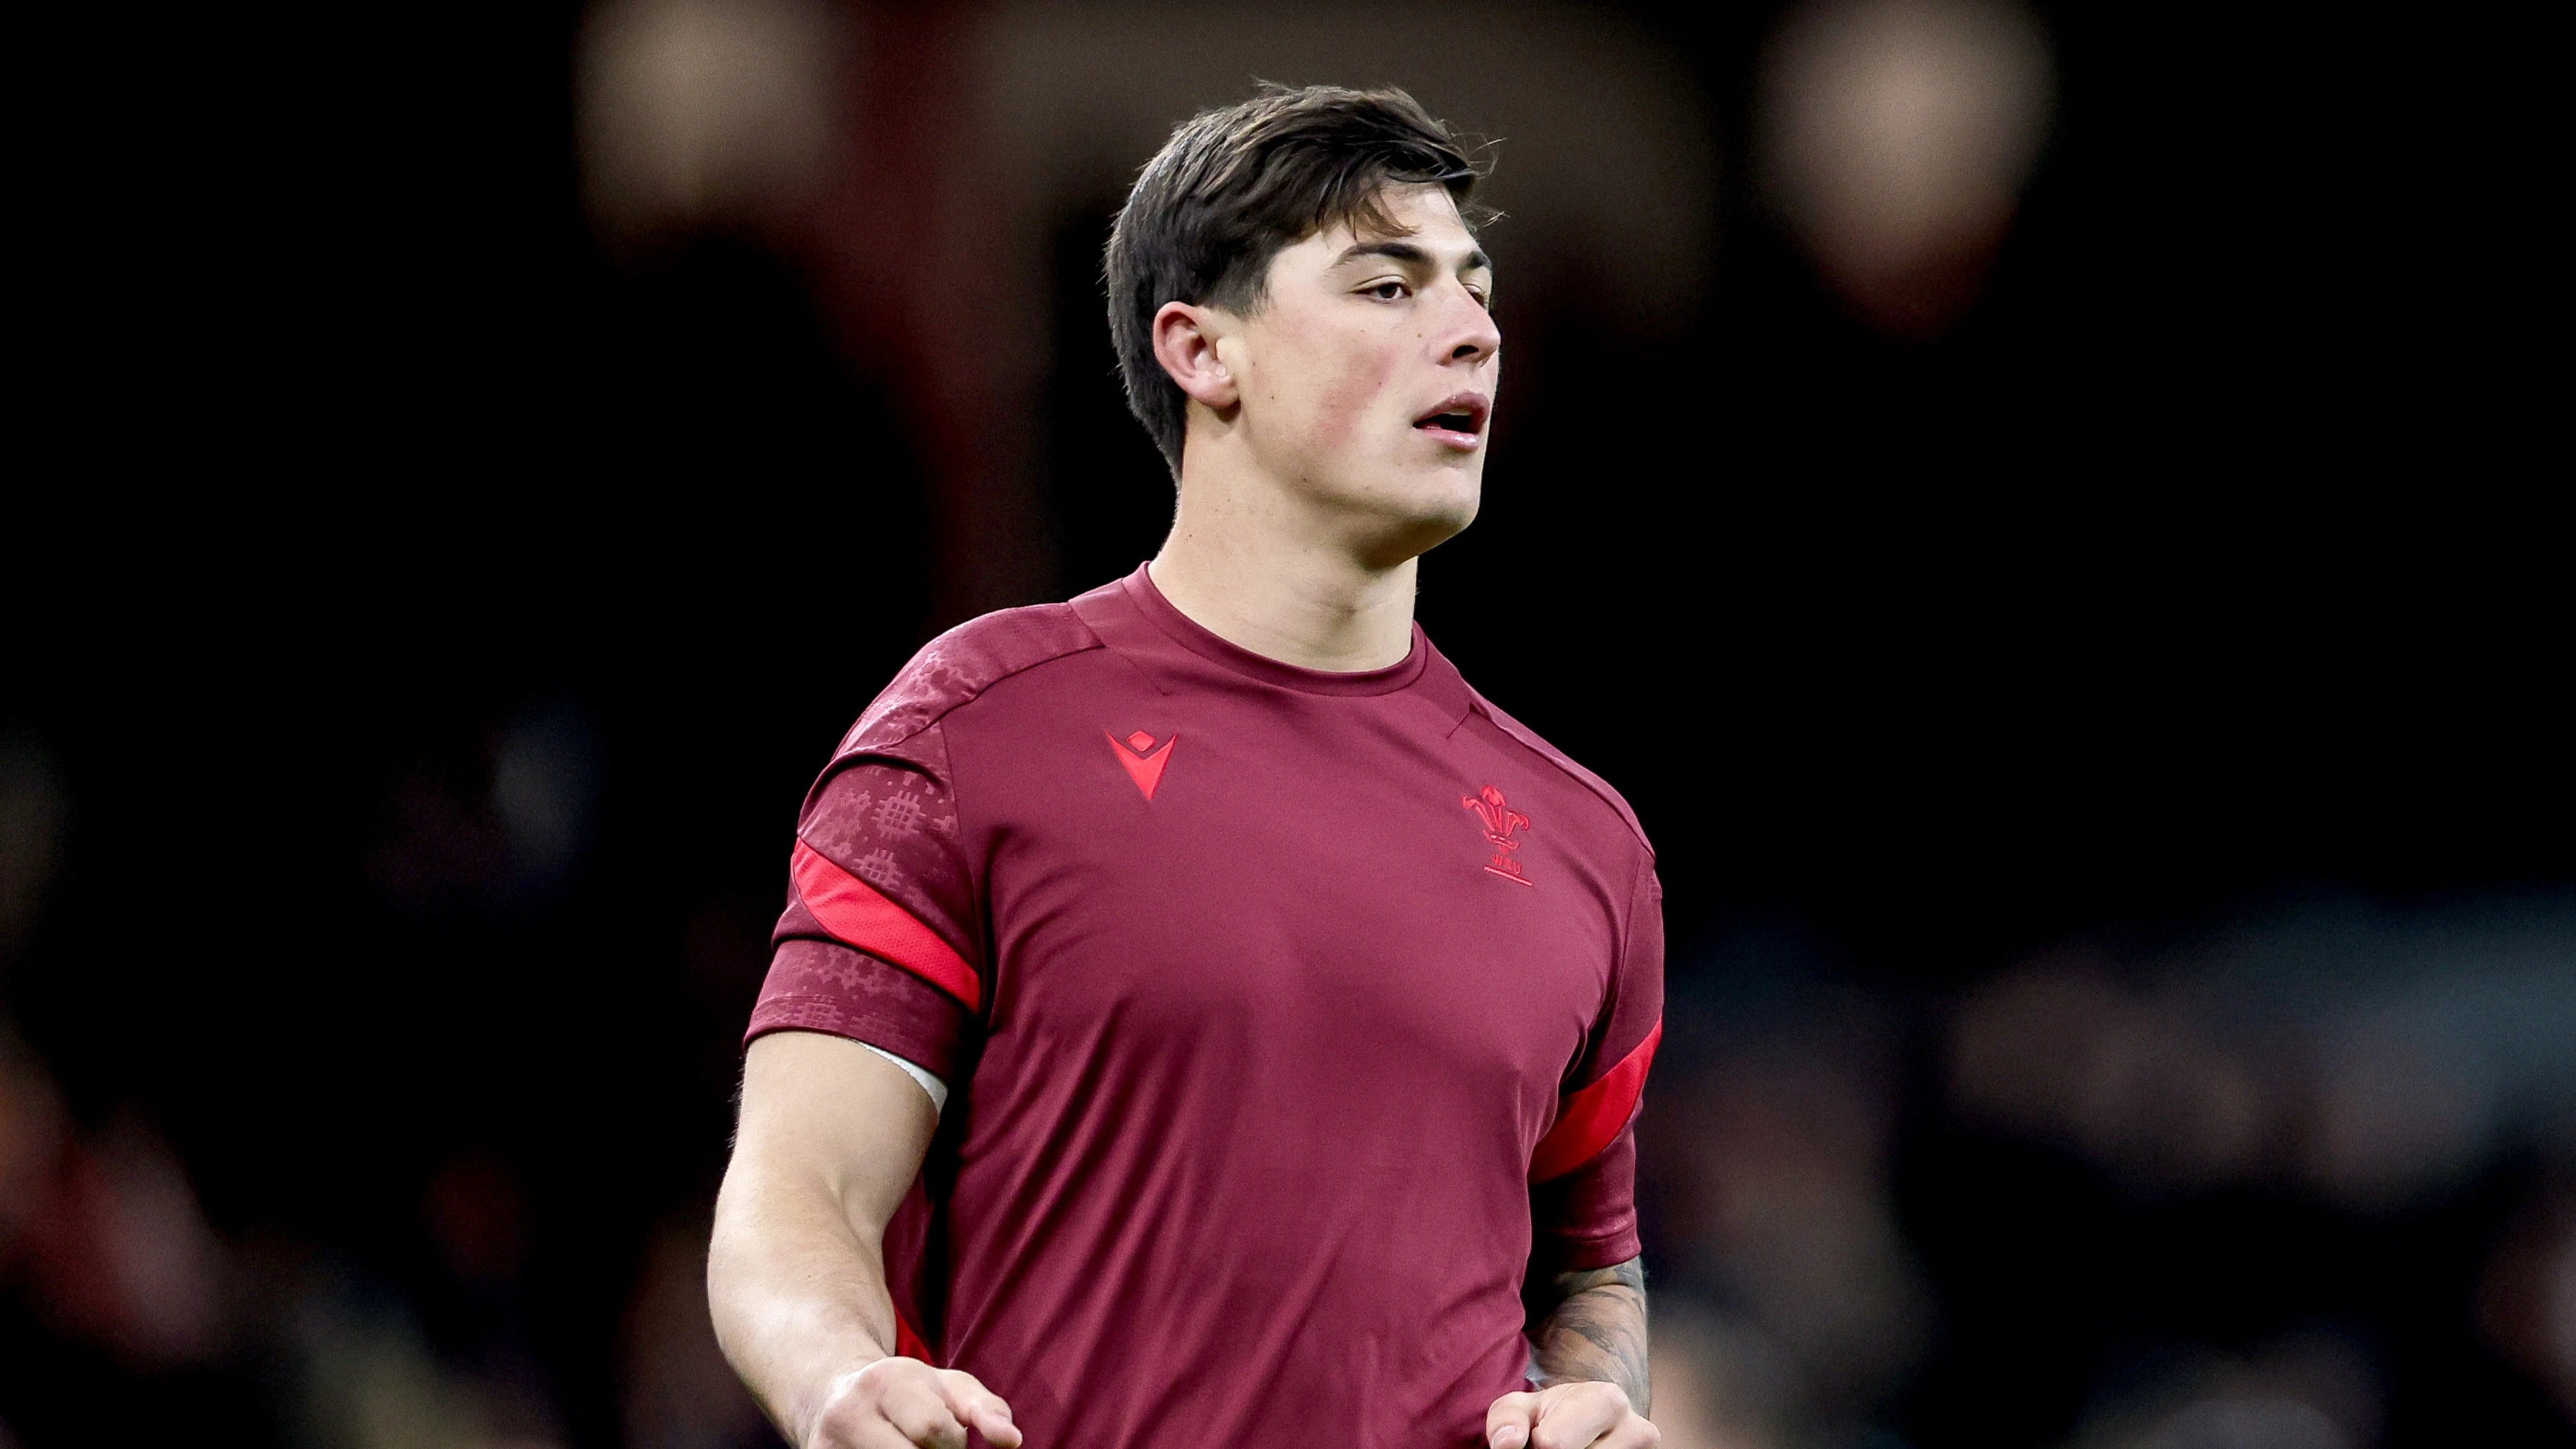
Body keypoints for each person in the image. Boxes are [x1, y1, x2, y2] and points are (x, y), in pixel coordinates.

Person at [709, 84, 1663, 1449]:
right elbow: (798, 1194)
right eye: (1385, 286)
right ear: (1201, 351)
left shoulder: (1588, 841)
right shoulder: (972, 731)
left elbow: (1593, 1265)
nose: (1473, 330)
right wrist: (833, 1379)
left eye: (1475, 288)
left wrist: (1601, 1401)